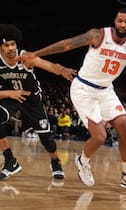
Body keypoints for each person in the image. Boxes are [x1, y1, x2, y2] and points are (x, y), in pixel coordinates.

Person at [23, 8, 126, 189]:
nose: (122, 24)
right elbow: (66, 44)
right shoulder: (98, 35)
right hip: (84, 89)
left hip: (106, 90)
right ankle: (82, 161)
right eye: (120, 20)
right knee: (100, 137)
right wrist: (36, 54)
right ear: (114, 21)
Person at [0, 24, 76, 180]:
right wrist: (9, 93)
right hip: (11, 97)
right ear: (1, 47)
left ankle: (55, 161)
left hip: (31, 100)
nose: (11, 48)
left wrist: (62, 71)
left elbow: (49, 65)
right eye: (6, 45)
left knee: (46, 139)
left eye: (13, 44)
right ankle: (10, 162)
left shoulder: (25, 57)